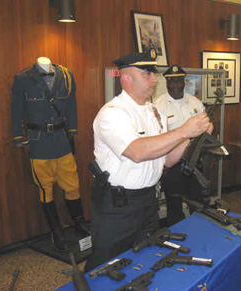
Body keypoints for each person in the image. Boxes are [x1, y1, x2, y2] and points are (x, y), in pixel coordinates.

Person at [84, 50, 211, 271]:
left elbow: (167, 160)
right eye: (147, 74)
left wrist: (194, 136)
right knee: (105, 265)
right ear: (126, 79)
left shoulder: (153, 112)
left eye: (154, 74)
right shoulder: (113, 113)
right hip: (118, 206)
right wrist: (183, 131)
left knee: (144, 260)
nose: (154, 79)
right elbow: (137, 152)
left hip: (148, 202)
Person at [11, 57, 88, 251]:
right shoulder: (23, 78)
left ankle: (78, 223)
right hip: (39, 143)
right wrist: (18, 138)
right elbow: (16, 110)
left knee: (72, 184)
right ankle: (57, 231)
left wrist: (72, 132)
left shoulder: (67, 76)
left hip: (62, 141)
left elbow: (71, 106)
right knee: (45, 189)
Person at [154, 65, 205, 226]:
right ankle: (176, 236)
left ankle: (199, 233)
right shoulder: (158, 106)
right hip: (173, 165)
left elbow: (205, 131)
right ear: (166, 83)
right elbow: (157, 139)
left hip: (195, 162)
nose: (176, 85)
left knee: (198, 202)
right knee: (174, 204)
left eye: (179, 81)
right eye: (172, 81)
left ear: (184, 81)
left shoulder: (195, 103)